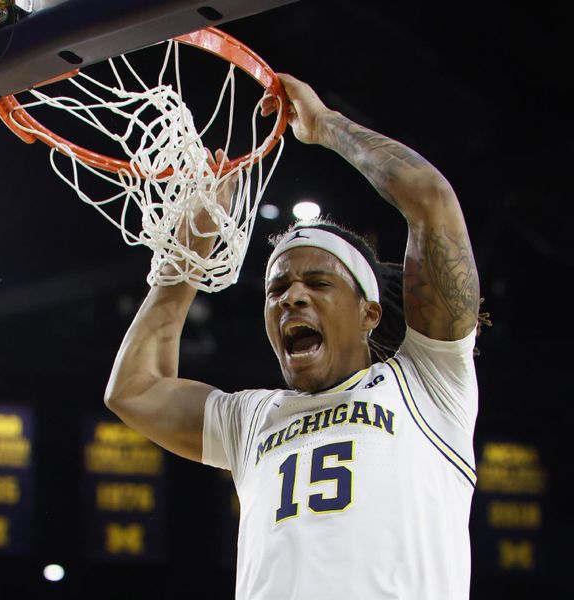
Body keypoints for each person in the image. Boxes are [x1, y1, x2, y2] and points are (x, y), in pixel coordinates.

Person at [104, 73, 485, 599]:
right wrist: (183, 263)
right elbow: (134, 390)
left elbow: (429, 200)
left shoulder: (427, 385)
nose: (292, 297)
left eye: (317, 282)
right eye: (277, 287)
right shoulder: (253, 418)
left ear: (369, 312)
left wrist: (328, 126)